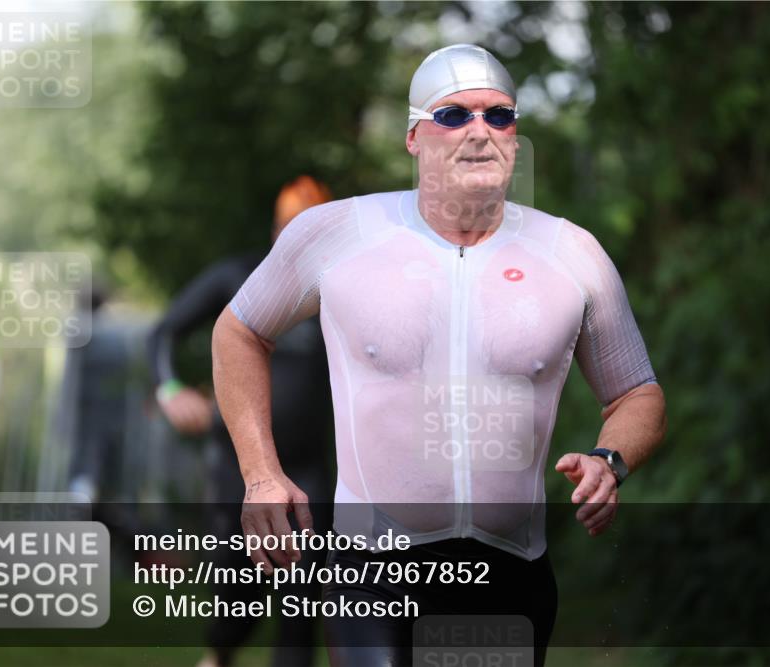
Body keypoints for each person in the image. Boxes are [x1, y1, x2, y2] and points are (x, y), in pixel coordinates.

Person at [212, 44, 667, 666]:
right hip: (369, 572)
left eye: (499, 115)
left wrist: (609, 461)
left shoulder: (570, 253)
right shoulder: (336, 234)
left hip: (507, 576)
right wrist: (261, 473)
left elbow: (638, 393)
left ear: (515, 136)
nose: (480, 132)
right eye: (453, 115)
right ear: (414, 137)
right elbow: (238, 332)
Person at [148, 176, 335, 667]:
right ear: (276, 231)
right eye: (293, 229)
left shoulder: (339, 287)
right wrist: (170, 389)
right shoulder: (238, 276)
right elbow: (165, 331)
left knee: (301, 604)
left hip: (307, 470)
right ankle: (218, 654)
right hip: (238, 468)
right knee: (236, 596)